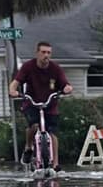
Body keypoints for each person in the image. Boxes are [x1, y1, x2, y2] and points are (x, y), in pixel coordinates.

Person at [8, 41, 74, 169]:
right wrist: (12, 91)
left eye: (49, 53)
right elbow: (15, 82)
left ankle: (55, 164)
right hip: (31, 102)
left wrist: (67, 88)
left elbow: (66, 84)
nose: (46, 55)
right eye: (43, 52)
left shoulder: (55, 69)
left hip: (50, 104)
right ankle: (28, 147)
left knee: (53, 133)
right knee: (33, 125)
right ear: (37, 53)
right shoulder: (28, 66)